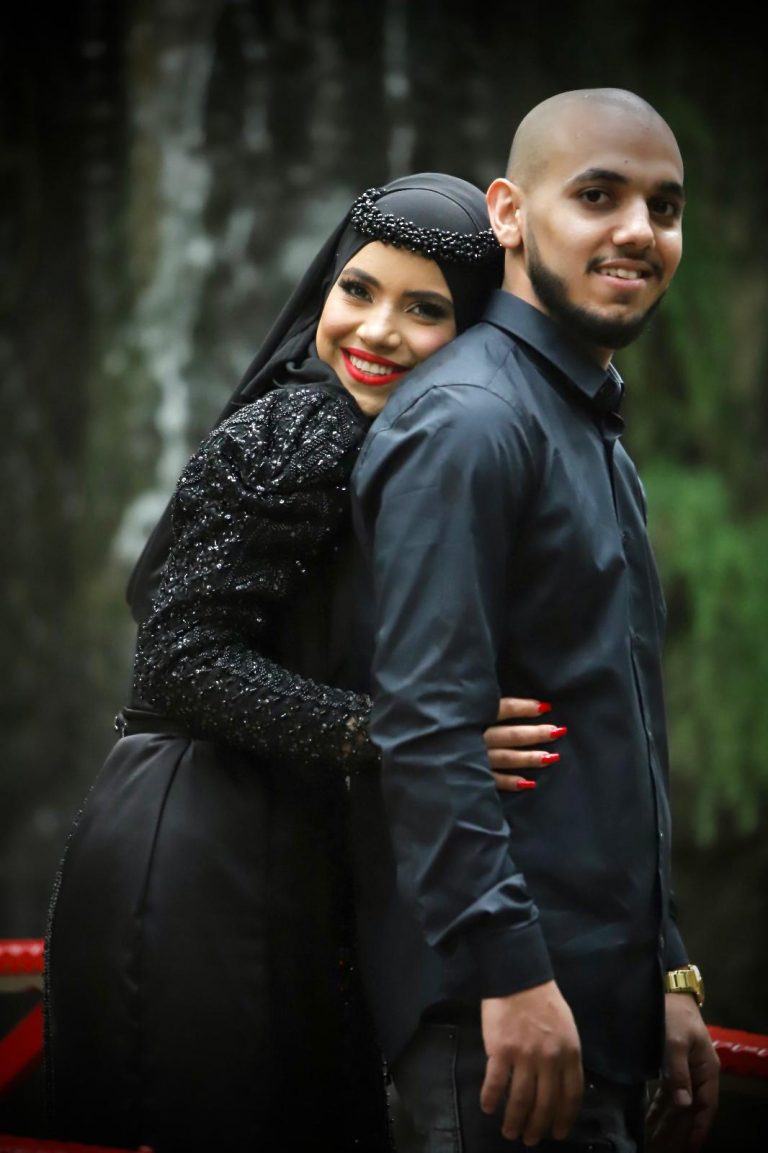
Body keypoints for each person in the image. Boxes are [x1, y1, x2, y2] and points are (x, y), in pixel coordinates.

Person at [43, 173, 568, 1153]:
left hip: (257, 830)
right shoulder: (306, 425)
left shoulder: (399, 441)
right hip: (198, 839)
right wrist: (400, 732)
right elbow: (178, 659)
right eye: (356, 290)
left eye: (425, 310)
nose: (375, 330)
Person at [350, 90, 721, 1152]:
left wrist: (668, 969)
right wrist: (506, 972)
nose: (638, 230)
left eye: (664, 206)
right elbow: (427, 726)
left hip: (594, 1006)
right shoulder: (471, 421)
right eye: (598, 195)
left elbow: (615, 729)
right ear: (509, 214)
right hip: (502, 1028)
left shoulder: (586, 426)